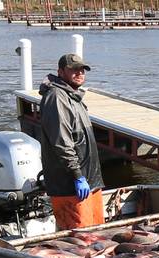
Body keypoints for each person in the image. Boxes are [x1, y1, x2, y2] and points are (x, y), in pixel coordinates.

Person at [39, 53, 104, 229]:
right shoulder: (56, 98)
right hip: (70, 186)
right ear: (60, 72)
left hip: (90, 183)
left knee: (98, 236)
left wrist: (88, 180)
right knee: (79, 242)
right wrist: (77, 176)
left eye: (82, 69)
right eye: (73, 69)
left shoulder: (73, 96)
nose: (79, 73)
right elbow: (61, 143)